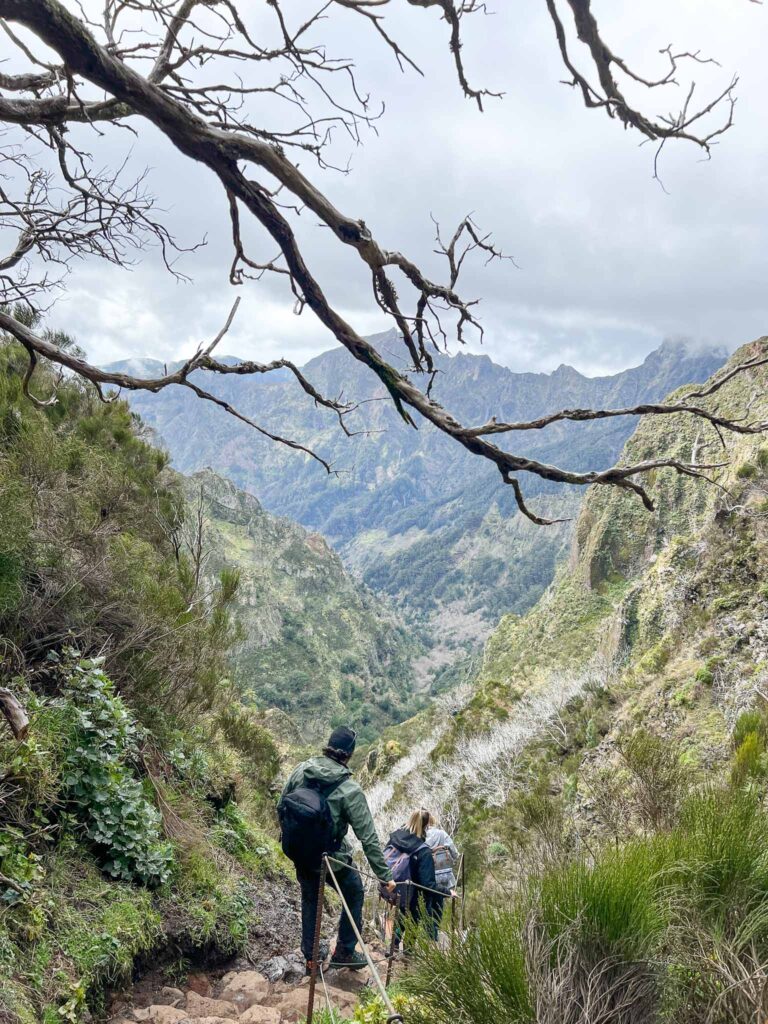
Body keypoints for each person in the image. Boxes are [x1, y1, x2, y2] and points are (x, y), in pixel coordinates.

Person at [279, 725, 396, 972]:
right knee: (353, 891)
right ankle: (344, 950)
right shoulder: (349, 790)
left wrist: (293, 837)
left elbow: (282, 805)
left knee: (310, 897)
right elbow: (368, 839)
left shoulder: (302, 769)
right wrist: (385, 877)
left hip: (299, 850)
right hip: (330, 857)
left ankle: (311, 959)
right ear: (349, 754)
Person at [383, 808, 444, 943]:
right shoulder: (423, 851)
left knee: (401, 919)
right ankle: (407, 956)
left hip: (393, 886)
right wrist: (447, 892)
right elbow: (428, 884)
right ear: (426, 826)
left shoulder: (395, 837)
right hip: (413, 896)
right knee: (412, 923)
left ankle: (392, 949)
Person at [425, 818, 460, 896]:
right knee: (443, 894)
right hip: (445, 871)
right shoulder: (442, 833)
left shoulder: (423, 836)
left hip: (429, 873)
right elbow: (453, 851)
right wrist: (454, 857)